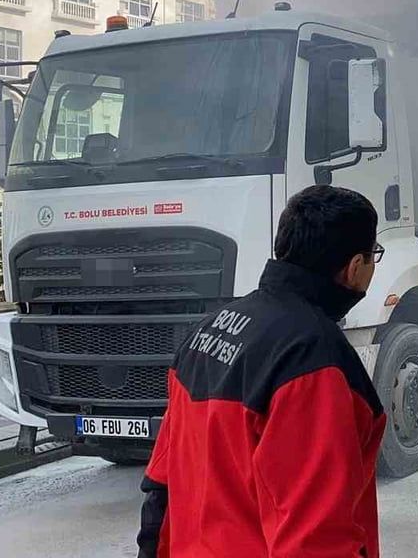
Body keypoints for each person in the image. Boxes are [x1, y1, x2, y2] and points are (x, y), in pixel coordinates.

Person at [137, 185, 386, 557]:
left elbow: (160, 486)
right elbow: (315, 542)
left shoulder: (204, 332)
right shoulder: (313, 360)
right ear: (354, 267)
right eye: (373, 257)